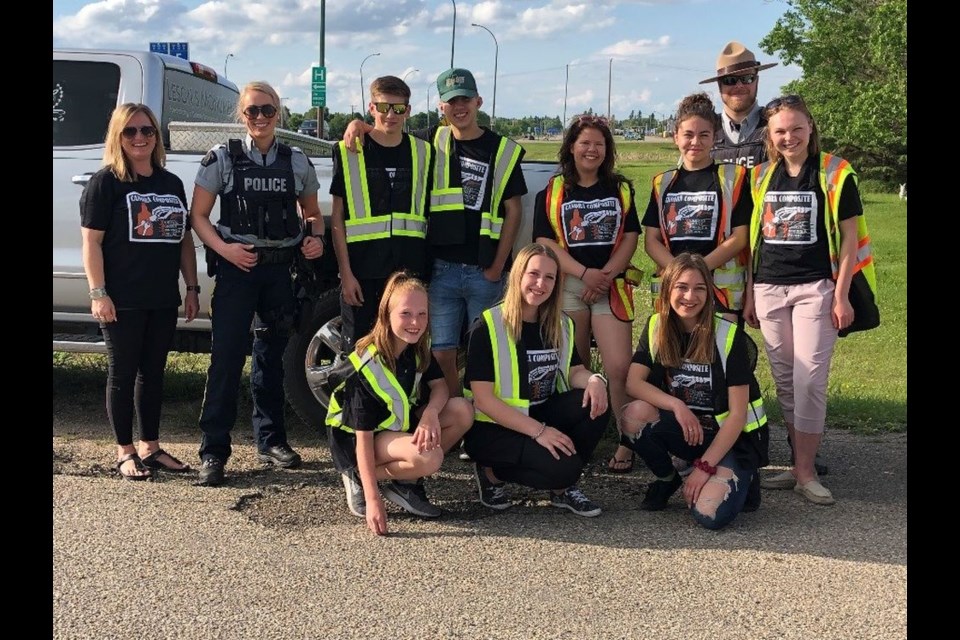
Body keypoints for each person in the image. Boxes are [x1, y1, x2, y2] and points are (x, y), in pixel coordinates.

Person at [343, 68, 527, 399]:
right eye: (451, 101)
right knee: (441, 350)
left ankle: (482, 416)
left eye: (465, 99)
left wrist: (499, 267)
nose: (459, 107)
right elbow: (389, 128)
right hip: (442, 268)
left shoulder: (502, 150)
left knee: (482, 350)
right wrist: (360, 125)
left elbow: (514, 209)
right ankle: (458, 409)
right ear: (440, 107)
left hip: (486, 269)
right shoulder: (432, 141)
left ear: (478, 101)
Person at [190, 81, 326, 487]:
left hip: (279, 271)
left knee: (271, 358)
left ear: (278, 113)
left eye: (268, 110)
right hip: (237, 269)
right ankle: (214, 451)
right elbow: (199, 216)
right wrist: (225, 250)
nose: (261, 118)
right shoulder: (222, 158)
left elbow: (313, 213)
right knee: (227, 359)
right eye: (252, 111)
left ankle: (271, 441)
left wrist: (314, 238)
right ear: (241, 115)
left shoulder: (297, 161)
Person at [744, 95, 874, 506]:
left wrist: (841, 296)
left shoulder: (836, 172)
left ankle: (805, 471)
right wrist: (750, 291)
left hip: (815, 288)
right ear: (770, 135)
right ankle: (798, 467)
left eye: (796, 128)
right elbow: (754, 240)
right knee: (785, 383)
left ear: (811, 127)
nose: (789, 137)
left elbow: (850, 238)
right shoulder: (761, 176)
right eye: (780, 131)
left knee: (810, 381)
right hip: (768, 288)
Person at [80, 103, 199, 480]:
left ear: (156, 137)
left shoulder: (170, 183)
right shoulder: (106, 183)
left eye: (147, 131)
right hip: (122, 298)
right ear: (118, 136)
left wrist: (192, 288)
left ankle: (150, 447)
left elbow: (183, 241)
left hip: (162, 297)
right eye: (130, 131)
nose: (140, 138)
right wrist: (99, 292)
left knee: (154, 374)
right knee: (123, 373)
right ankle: (125, 451)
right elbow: (91, 244)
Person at [622, 253, 769, 529]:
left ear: (709, 293)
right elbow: (633, 383)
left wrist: (704, 469)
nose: (690, 297)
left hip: (733, 439)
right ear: (668, 289)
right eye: (682, 287)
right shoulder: (656, 326)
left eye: (699, 288)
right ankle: (668, 479)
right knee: (633, 414)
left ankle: (743, 477)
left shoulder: (728, 335)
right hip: (691, 430)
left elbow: (737, 416)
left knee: (709, 516)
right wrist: (676, 406)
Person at [463, 243, 611, 517]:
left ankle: (562, 487)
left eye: (549, 277)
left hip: (541, 414)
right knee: (563, 470)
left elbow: (575, 370)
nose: (540, 284)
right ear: (518, 275)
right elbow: (482, 399)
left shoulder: (560, 324)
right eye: (533, 274)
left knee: (594, 401)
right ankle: (491, 473)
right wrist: (540, 432)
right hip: (495, 428)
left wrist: (596, 380)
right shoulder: (487, 325)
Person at [325, 272, 474, 535]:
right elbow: (363, 438)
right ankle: (359, 476)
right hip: (356, 442)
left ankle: (405, 481)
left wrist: (430, 413)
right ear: (387, 315)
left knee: (462, 410)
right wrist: (373, 501)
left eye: (422, 314)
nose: (415, 322)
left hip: (392, 430)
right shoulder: (367, 364)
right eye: (406, 313)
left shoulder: (414, 346)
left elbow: (439, 386)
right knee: (430, 456)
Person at [532, 114, 640, 475]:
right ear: (571, 148)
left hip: (611, 283)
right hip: (570, 283)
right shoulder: (554, 190)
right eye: (585, 143)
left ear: (607, 149)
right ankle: (579, 437)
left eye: (599, 143)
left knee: (618, 367)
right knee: (575, 366)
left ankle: (627, 440)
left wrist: (605, 275)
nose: (592, 149)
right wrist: (583, 273)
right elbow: (544, 241)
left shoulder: (620, 188)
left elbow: (630, 236)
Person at [330, 75, 432, 353]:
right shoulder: (348, 151)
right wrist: (346, 274)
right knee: (360, 353)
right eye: (384, 107)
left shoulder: (424, 151)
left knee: (405, 350)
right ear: (371, 108)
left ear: (408, 111)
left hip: (407, 272)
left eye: (399, 108)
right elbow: (338, 217)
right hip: (362, 273)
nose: (391, 115)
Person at [700, 41, 778, 169]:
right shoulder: (704, 130)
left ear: (756, 81)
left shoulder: (777, 126)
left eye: (747, 78)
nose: (739, 85)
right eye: (730, 80)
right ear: (719, 85)